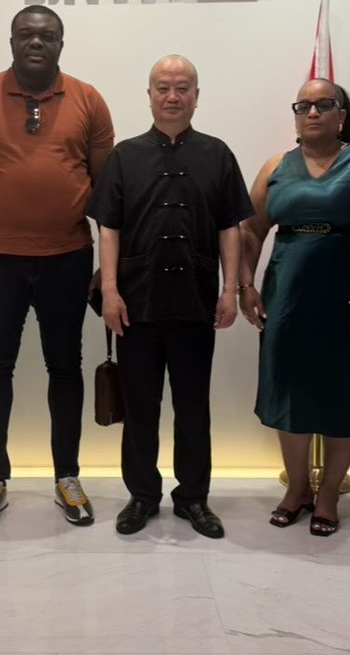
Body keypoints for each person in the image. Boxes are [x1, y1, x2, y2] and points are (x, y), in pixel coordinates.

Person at [0, 5, 114, 530]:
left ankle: (68, 475)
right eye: (26, 35)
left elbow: (110, 195)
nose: (35, 43)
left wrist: (106, 269)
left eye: (46, 36)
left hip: (68, 257)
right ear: (12, 40)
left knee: (65, 367)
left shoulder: (88, 99)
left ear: (61, 43)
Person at [238, 78, 350, 537]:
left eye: (324, 105)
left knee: (345, 392)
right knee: (289, 390)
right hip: (290, 297)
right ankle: (297, 489)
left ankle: (330, 493)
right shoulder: (276, 166)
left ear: (342, 114)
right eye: (304, 105)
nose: (313, 112)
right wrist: (245, 284)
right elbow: (252, 230)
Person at [89, 55, 252, 539]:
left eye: (183, 88)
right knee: (140, 407)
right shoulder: (125, 156)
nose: (173, 96)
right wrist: (112, 292)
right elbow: (109, 229)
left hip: (196, 300)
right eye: (163, 87)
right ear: (150, 94)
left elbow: (230, 227)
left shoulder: (217, 154)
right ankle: (141, 496)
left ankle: (193, 498)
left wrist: (228, 290)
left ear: (196, 95)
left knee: (192, 405)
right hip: (136, 303)